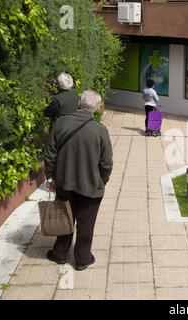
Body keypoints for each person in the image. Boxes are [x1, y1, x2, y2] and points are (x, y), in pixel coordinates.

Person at [44, 90, 113, 270]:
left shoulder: (60, 123)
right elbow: (106, 163)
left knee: (65, 218)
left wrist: (50, 177)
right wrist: (101, 181)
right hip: (90, 186)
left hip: (64, 183)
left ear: (79, 104)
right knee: (86, 223)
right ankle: (82, 258)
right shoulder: (100, 130)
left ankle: (60, 253)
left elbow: (50, 154)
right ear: (97, 109)